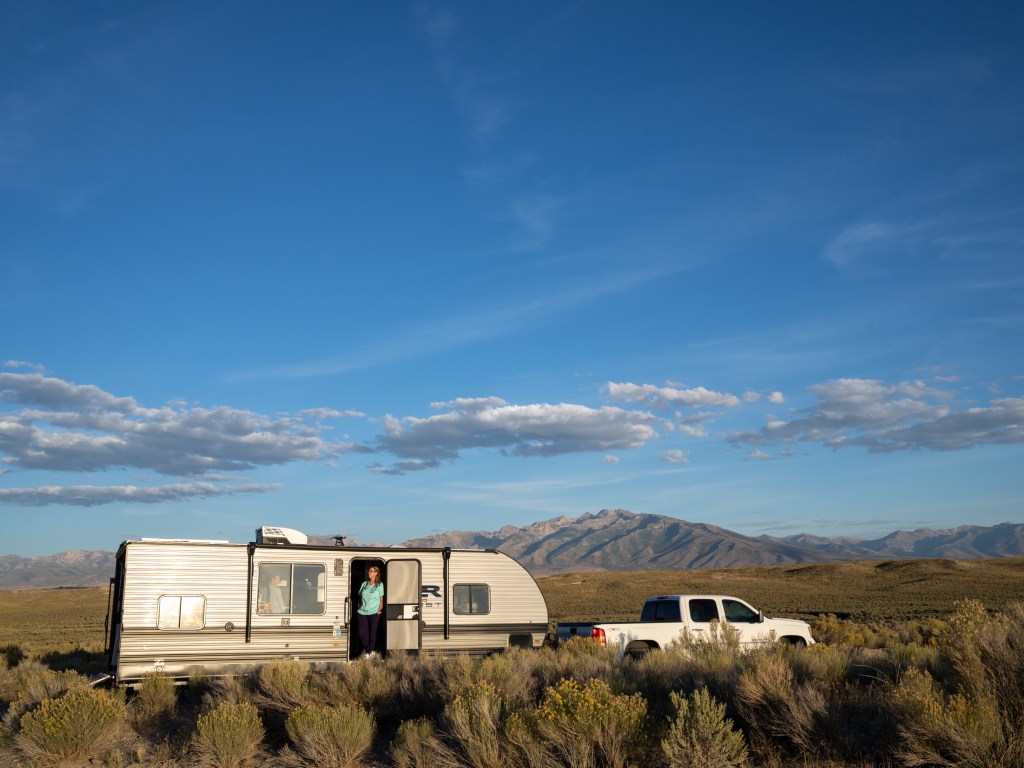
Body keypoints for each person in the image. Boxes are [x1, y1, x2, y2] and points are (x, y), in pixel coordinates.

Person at [356, 566, 384, 656]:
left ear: (376, 573)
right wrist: (359, 606)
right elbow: (359, 597)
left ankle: (368, 652)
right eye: (369, 571)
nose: (369, 573)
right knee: (362, 633)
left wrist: (379, 610)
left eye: (371, 571)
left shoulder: (380, 585)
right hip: (362, 612)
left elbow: (381, 599)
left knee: (372, 633)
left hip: (374, 612)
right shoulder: (364, 584)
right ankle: (370, 650)